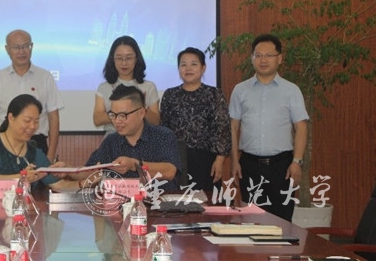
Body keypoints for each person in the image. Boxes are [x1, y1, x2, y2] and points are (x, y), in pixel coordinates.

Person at [229, 34, 309, 222]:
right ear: (252, 59)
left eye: (268, 55)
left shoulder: (291, 90)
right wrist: (234, 161)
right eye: (258, 55)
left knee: (283, 222)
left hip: (282, 167)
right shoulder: (240, 90)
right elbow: (233, 127)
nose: (263, 60)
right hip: (249, 165)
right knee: (251, 221)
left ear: (279, 58)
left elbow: (301, 128)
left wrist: (297, 161)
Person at [0, 29, 63, 162]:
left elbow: (53, 117)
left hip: (36, 143)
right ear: (7, 49)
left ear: (32, 47)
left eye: (26, 46)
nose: (21, 51)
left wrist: (50, 155)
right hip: (5, 143)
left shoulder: (45, 77)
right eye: (16, 47)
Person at [160, 47, 231, 191]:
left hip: (205, 159)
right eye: (183, 64)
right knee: (177, 199)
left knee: (206, 199)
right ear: (179, 69)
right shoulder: (170, 95)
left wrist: (219, 160)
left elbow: (222, 129)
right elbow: (164, 129)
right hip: (176, 158)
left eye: (194, 64)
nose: (188, 69)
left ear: (203, 68)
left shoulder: (214, 94)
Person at [85, 84, 180, 190]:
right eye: (113, 115)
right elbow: (88, 171)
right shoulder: (111, 141)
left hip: (160, 198)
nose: (117, 121)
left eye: (123, 115)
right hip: (121, 199)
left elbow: (170, 171)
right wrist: (70, 171)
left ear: (141, 113)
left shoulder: (163, 136)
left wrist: (135, 165)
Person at [0, 94, 77, 191]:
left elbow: (60, 185)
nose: (32, 127)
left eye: (36, 122)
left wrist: (84, 183)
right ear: (11, 118)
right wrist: (22, 177)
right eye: (27, 121)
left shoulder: (35, 153)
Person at [92, 36, 161, 137]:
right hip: (113, 138)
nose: (124, 63)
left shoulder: (148, 86)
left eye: (128, 58)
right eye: (119, 58)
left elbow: (155, 121)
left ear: (136, 59)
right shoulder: (104, 87)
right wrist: (124, 111)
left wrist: (140, 106)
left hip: (142, 139)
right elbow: (97, 119)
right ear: (113, 60)